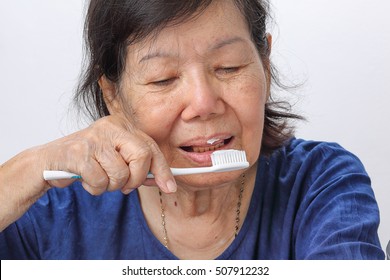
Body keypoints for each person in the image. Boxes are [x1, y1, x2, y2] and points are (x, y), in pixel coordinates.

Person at [0, 0, 385, 260]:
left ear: (264, 66)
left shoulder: (320, 183)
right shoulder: (53, 211)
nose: (203, 103)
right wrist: (30, 168)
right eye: (163, 79)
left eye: (229, 67)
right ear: (113, 95)